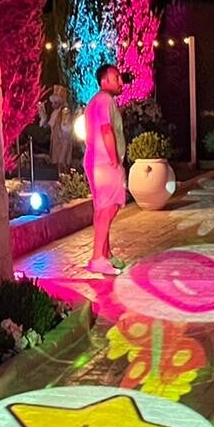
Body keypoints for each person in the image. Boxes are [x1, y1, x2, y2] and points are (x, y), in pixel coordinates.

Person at [83, 64, 128, 276]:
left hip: (95, 161)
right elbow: (106, 129)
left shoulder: (94, 101)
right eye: (116, 77)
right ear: (104, 80)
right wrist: (114, 159)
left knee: (102, 208)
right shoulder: (105, 100)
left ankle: (105, 254)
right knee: (110, 208)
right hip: (105, 162)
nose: (121, 82)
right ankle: (97, 258)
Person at [43, 84, 74, 170]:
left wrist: (64, 123)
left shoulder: (65, 112)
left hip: (63, 141)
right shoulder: (55, 113)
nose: (53, 105)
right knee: (55, 161)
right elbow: (49, 125)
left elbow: (66, 127)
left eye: (55, 102)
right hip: (56, 141)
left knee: (62, 161)